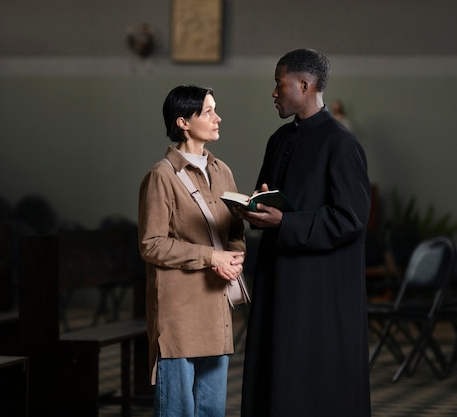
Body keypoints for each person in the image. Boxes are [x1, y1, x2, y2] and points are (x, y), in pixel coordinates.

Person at [238, 49, 372, 417]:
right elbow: (270, 199)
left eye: (279, 84)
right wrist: (255, 208)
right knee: (273, 373)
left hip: (319, 290)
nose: (274, 92)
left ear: (304, 84)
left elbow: (352, 218)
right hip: (278, 279)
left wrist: (285, 222)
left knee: (311, 381)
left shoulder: (341, 144)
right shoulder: (279, 139)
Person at [138, 84, 246, 417]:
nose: (218, 118)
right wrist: (211, 257)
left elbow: (234, 231)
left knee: (213, 410)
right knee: (178, 410)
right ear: (183, 121)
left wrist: (234, 259)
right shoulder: (161, 177)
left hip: (215, 308)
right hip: (179, 313)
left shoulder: (222, 171)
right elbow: (151, 244)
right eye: (209, 111)